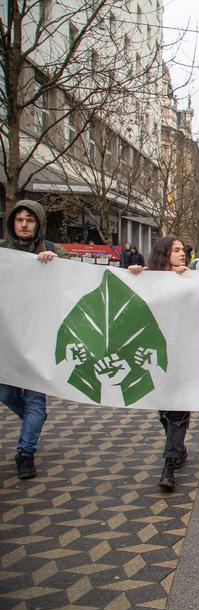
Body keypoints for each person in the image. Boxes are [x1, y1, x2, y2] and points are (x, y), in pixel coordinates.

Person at [0, 199, 64, 479]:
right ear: (12, 222)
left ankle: (26, 453)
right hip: (7, 339)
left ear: (38, 223)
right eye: (19, 219)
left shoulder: (53, 251)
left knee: (35, 398)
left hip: (39, 337)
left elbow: (75, 279)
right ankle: (33, 418)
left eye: (30, 219)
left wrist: (56, 265)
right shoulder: (3, 252)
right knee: (6, 393)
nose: (24, 224)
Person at [128, 237, 192, 489]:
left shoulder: (188, 277)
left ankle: (169, 464)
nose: (182, 253)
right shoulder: (147, 278)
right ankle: (178, 448)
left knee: (177, 411)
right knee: (165, 412)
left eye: (182, 250)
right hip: (156, 356)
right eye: (176, 250)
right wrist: (134, 275)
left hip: (183, 355)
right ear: (164, 253)